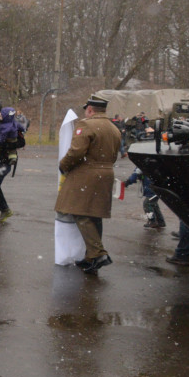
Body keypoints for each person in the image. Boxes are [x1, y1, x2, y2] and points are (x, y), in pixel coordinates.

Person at [55, 94, 122, 274]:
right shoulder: (114, 128)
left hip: (87, 174)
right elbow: (115, 154)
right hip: (106, 173)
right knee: (95, 214)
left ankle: (98, 253)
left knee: (80, 212)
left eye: (86, 110)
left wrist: (63, 165)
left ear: (90, 110)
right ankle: (91, 256)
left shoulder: (86, 124)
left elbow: (76, 152)